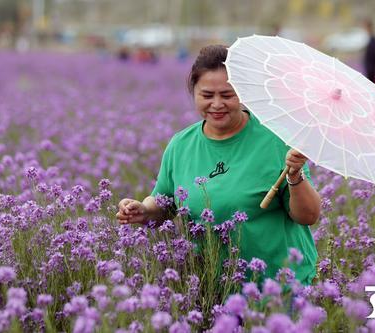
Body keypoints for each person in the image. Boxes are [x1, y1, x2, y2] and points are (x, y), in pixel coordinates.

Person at [116, 45, 321, 286]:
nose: (216, 104)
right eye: (207, 95)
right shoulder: (181, 145)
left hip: (280, 287)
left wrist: (295, 175)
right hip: (214, 289)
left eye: (227, 95)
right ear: (193, 93)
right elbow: (163, 200)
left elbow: (308, 215)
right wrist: (142, 210)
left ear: (242, 94)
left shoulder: (276, 141)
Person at [362, 19, 375, 84]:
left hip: (372, 68)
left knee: (372, 84)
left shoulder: (373, 39)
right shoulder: (366, 38)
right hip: (368, 67)